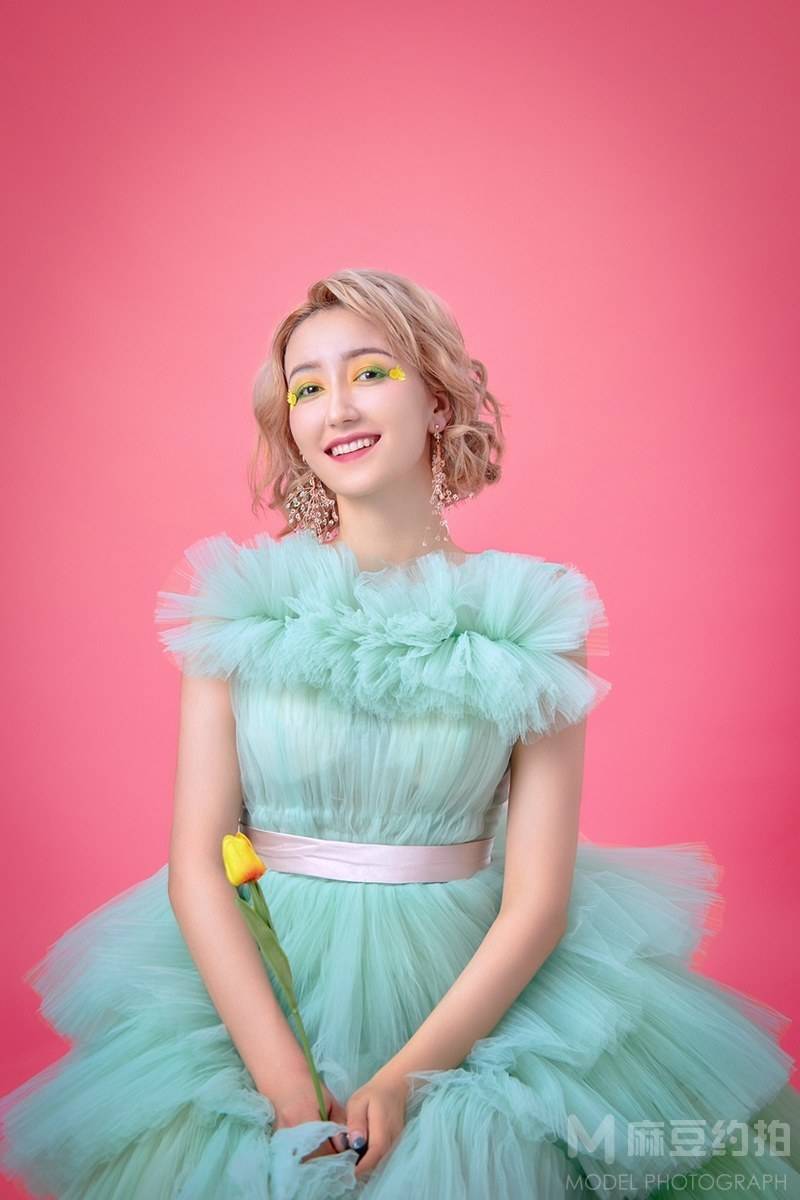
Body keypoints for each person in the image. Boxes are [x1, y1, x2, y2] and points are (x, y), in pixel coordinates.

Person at [1, 268, 798, 1200]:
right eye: (308, 387)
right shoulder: (239, 607)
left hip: (467, 999)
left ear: (438, 399)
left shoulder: (528, 615)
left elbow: (539, 900)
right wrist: (286, 1086)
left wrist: (409, 1079)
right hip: (263, 1000)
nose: (337, 406)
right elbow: (198, 866)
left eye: (370, 372)